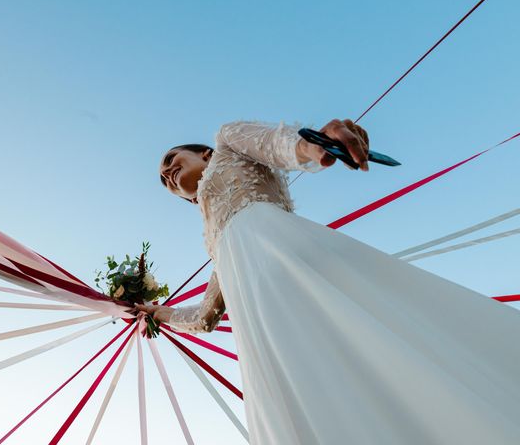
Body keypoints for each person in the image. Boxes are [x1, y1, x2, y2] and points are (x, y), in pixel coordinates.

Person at [136, 119, 520, 444]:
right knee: (314, 389)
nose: (166, 174)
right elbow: (206, 315)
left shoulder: (226, 141)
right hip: (260, 319)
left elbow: (277, 144)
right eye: (162, 181)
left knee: (368, 339)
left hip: (290, 256)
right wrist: (158, 313)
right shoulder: (216, 244)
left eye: (170, 160)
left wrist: (314, 147)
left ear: (203, 154)